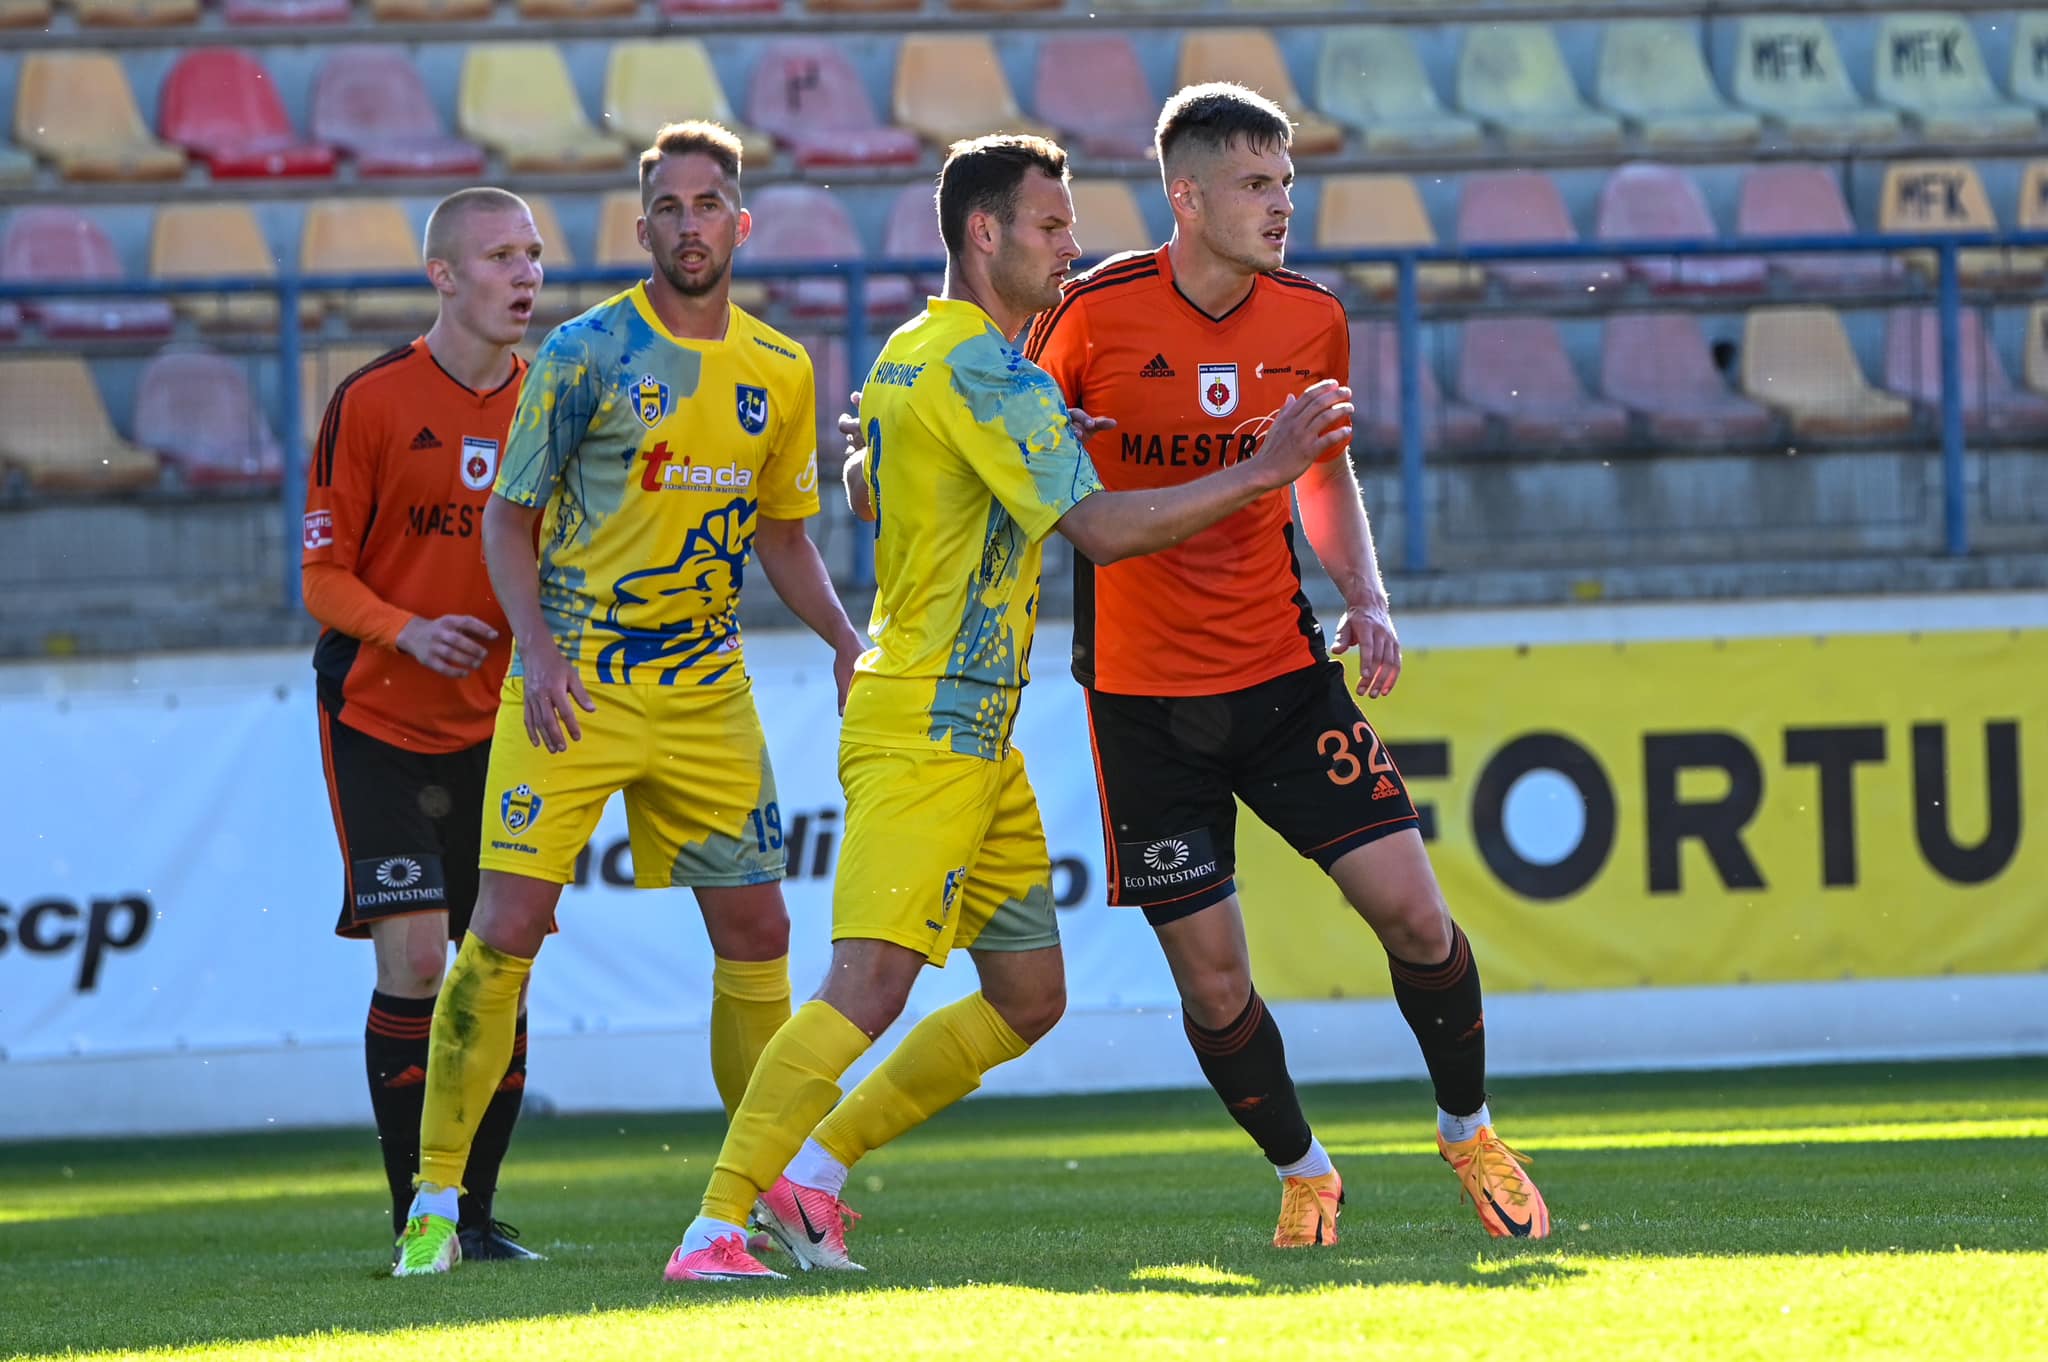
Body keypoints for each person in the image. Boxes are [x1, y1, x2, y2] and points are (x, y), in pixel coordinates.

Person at [663, 132, 1354, 1283]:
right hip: (927, 722)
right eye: (1050, 225)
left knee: (1028, 997)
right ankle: (713, 1229)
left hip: (974, 733)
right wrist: (1262, 469)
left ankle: (810, 1181)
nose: (1071, 247)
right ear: (983, 233)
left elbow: (870, 486)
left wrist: (1033, 442)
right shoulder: (993, 375)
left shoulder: (916, 353)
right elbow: (1103, 532)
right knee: (865, 987)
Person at [1020, 83, 1551, 1243]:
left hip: (1281, 678)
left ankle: (1467, 1129)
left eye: (1286, 184)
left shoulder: (1309, 318)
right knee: (1212, 984)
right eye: (1254, 185)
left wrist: (1365, 595)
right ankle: (1303, 1170)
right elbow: (1051, 488)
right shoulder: (1087, 318)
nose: (1279, 207)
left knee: (1415, 917)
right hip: (1142, 705)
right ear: (1186, 197)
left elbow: (1319, 470)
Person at [392, 121, 867, 1277]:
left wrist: (844, 640)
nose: (687, 225)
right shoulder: (584, 353)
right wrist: (539, 652)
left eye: (706, 205)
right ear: (641, 226)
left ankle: (758, 1199)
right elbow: (508, 519)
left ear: (739, 223)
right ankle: (433, 1204)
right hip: (574, 688)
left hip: (706, 692)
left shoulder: (778, 368)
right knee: (502, 931)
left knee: (758, 935)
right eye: (666, 207)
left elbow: (782, 535)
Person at [303, 186, 547, 1265]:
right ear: (442, 275)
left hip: (503, 723)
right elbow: (320, 577)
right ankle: (420, 1216)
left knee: (500, 959)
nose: (524, 274)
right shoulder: (370, 401)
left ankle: (475, 1218)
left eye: (532, 254)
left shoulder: (552, 402)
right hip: (379, 717)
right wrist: (408, 631)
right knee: (411, 959)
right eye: (499, 256)